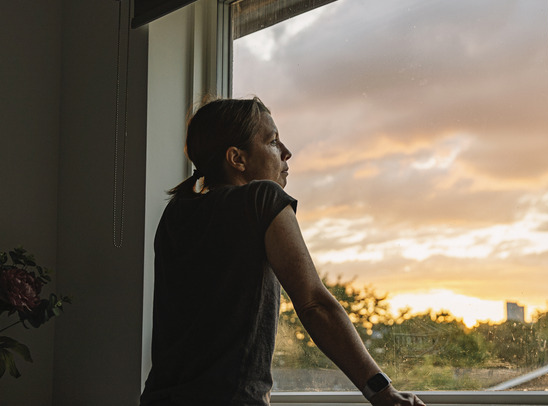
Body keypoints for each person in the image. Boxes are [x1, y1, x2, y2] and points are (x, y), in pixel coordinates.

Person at [139, 98, 425, 406]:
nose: (286, 153)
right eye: (273, 142)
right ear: (237, 158)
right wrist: (384, 394)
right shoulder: (261, 199)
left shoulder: (176, 214)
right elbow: (315, 304)